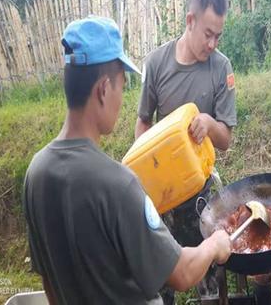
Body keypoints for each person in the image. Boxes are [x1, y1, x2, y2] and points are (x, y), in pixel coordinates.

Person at [22, 16, 231, 305]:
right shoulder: (117, 184)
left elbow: (49, 282)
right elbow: (181, 273)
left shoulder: (36, 173)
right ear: (104, 89)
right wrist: (214, 245)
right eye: (121, 85)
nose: (122, 98)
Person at [135, 0, 236, 302]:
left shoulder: (221, 68)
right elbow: (143, 122)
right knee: (162, 286)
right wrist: (146, 174)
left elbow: (226, 139)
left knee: (208, 287)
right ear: (190, 20)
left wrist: (208, 123)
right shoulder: (157, 63)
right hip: (162, 203)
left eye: (218, 36)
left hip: (201, 202)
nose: (212, 44)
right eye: (208, 34)